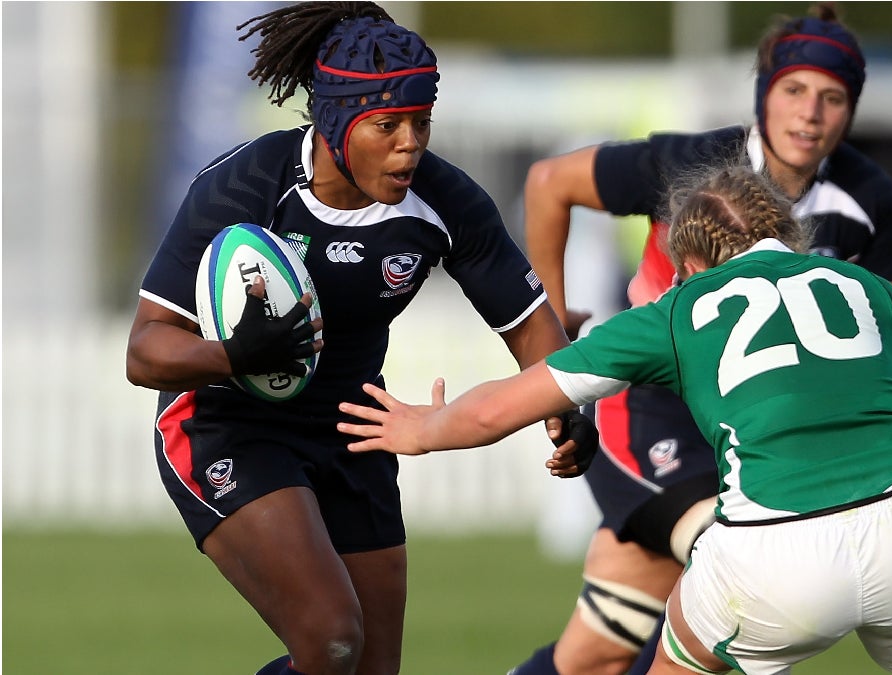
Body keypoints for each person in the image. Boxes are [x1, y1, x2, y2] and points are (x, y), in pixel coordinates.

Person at [337, 163, 892, 674]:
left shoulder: (677, 310)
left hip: (774, 556)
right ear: (789, 233)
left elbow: (499, 409)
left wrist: (419, 429)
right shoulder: (873, 291)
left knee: (677, 648)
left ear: (686, 264)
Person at [124, 3, 596, 675]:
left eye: (421, 122)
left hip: (353, 429)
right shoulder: (245, 187)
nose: (411, 143)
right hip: (228, 423)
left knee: (371, 667)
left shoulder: (444, 202)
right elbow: (145, 350)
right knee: (331, 639)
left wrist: (566, 404)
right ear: (336, 122)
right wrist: (235, 355)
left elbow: (529, 324)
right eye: (388, 125)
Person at [515, 4, 892, 674]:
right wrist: (550, 324)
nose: (810, 112)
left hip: (755, 435)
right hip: (648, 417)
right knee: (737, 588)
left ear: (850, 111)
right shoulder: (691, 162)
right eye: (794, 89)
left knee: (596, 652)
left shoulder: (866, 197)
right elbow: (547, 183)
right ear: (764, 92)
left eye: (832, 97)